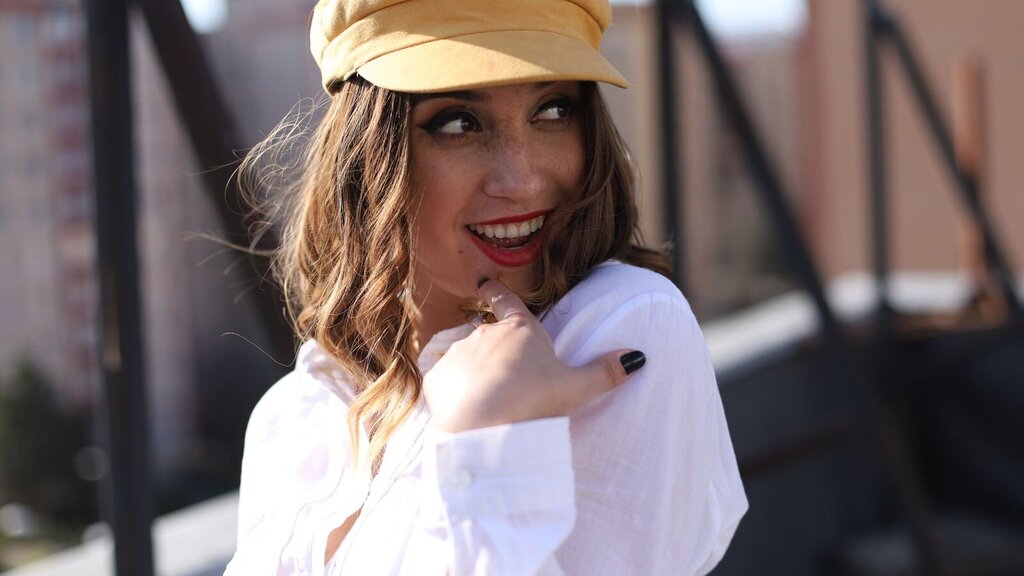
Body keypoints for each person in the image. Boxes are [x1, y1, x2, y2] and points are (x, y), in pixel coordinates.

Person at [225, 0, 747, 574]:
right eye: (458, 123)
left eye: (553, 110)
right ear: (367, 155)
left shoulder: (621, 326)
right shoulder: (299, 411)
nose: (521, 181)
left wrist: (485, 442)